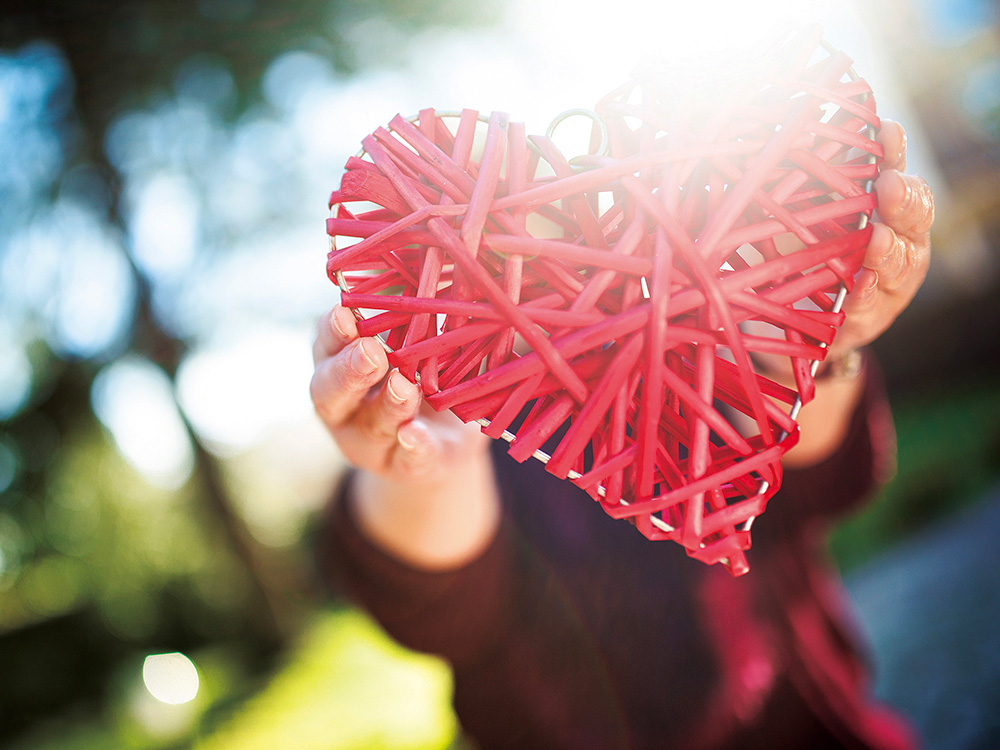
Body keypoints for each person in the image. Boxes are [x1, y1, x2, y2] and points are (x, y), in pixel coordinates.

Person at [310, 120, 933, 749]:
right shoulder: (452, 407)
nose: (506, 251)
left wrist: (810, 343)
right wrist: (427, 463)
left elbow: (819, 479)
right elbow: (436, 602)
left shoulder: (683, 318)